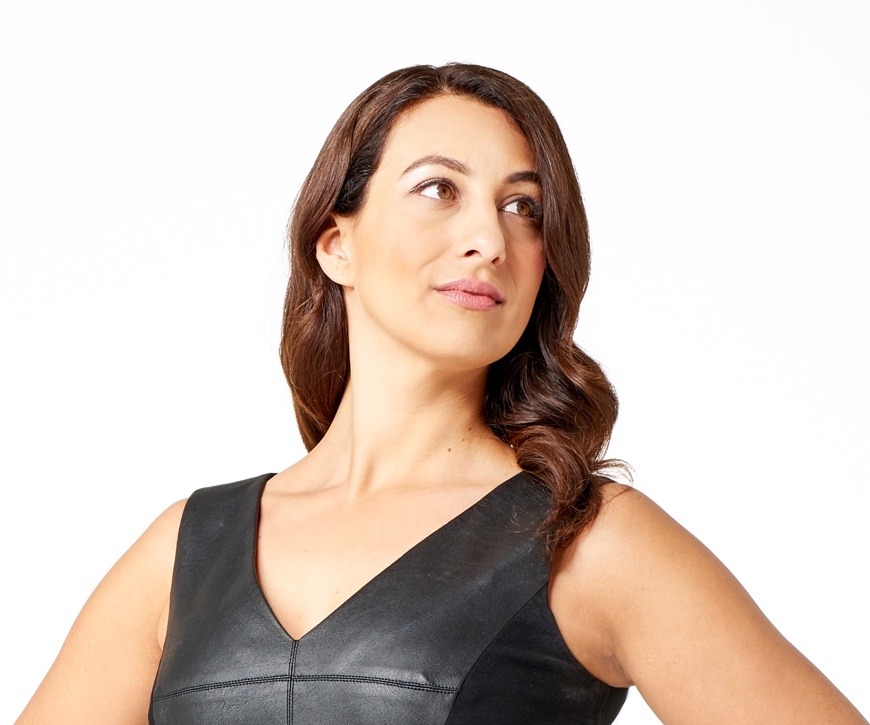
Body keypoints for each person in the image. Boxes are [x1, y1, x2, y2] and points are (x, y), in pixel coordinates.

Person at [16, 63, 867, 725]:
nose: (489, 238)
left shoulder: (587, 539)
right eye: (438, 189)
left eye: (524, 208)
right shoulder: (187, 549)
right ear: (335, 242)